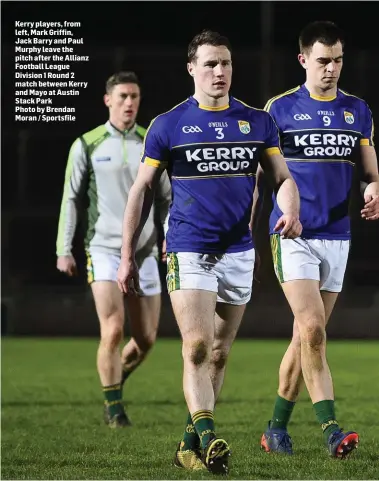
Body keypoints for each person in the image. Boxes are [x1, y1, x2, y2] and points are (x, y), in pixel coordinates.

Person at [116, 30, 302, 474]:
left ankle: (189, 446)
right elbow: (140, 191)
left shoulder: (258, 122)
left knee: (219, 353)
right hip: (188, 249)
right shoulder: (168, 124)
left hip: (239, 252)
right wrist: (126, 254)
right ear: (191, 69)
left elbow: (282, 178)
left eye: (226, 64)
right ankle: (209, 435)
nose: (220, 72)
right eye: (210, 64)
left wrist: (291, 209)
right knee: (196, 346)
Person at [254, 21, 379, 458]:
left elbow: (369, 169)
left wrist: (373, 189)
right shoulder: (279, 109)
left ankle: (275, 429)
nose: (332, 68)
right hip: (293, 236)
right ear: (304, 59)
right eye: (323, 60)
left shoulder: (357, 111)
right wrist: (243, 229)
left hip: (338, 236)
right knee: (312, 329)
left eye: (338, 60)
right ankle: (330, 428)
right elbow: (259, 177)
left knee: (305, 337)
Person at [56, 71, 171, 428]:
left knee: (147, 339)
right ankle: (115, 410)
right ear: (108, 100)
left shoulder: (150, 143)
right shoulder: (86, 144)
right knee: (113, 328)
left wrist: (168, 234)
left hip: (146, 252)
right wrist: (64, 248)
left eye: (134, 96)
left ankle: (112, 385)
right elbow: (71, 200)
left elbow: (167, 198)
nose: (129, 103)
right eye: (122, 96)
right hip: (103, 249)